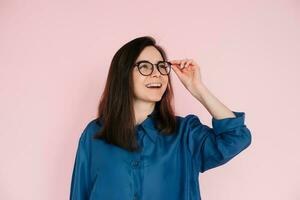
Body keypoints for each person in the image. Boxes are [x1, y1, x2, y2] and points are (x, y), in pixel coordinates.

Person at [69, 36, 252, 200]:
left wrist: (197, 88)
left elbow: (236, 137)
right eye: (145, 67)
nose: (156, 73)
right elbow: (79, 194)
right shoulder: (95, 134)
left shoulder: (185, 133)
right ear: (124, 74)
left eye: (161, 66)